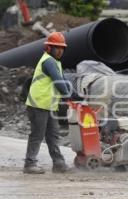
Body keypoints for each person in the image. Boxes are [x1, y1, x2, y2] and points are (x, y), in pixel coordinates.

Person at [24, 32, 82, 174]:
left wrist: (77, 96)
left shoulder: (56, 62)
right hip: (38, 104)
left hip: (48, 106)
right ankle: (29, 164)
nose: (60, 51)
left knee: (53, 134)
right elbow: (59, 82)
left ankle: (58, 163)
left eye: (62, 49)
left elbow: (65, 81)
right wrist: (69, 96)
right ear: (49, 48)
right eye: (57, 48)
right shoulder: (48, 61)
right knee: (37, 134)